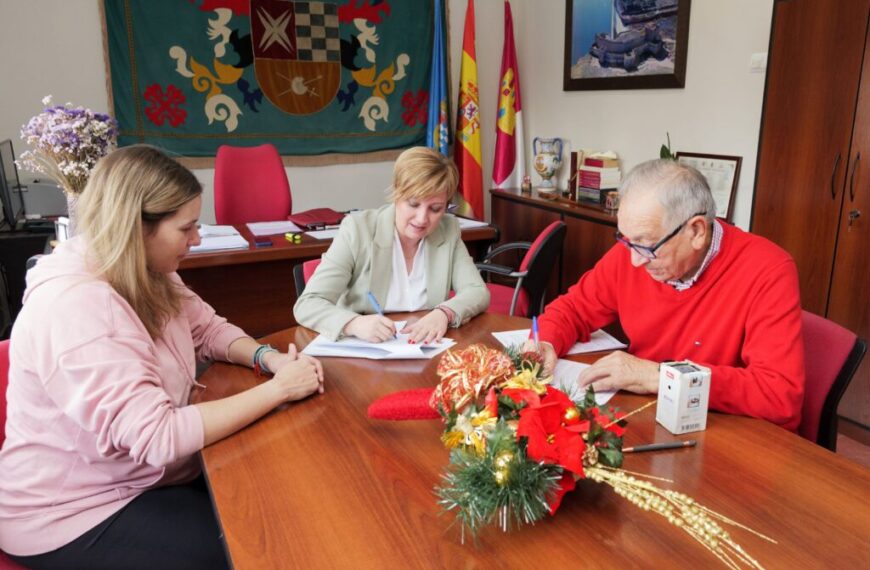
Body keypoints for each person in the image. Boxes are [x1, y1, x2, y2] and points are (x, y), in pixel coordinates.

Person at [0, 146, 324, 569]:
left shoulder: (145, 268)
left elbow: (207, 328)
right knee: (257, 543)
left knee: (277, 498)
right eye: (187, 228)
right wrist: (280, 390)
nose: (197, 239)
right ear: (136, 227)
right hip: (71, 511)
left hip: (139, 478)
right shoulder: (75, 308)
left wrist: (267, 358)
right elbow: (158, 437)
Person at [531, 159, 805, 431]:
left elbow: (779, 394)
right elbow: (574, 308)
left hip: (718, 431)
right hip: (647, 416)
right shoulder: (634, 250)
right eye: (625, 240)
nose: (635, 261)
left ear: (696, 231)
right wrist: (546, 342)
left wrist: (661, 377)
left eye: (648, 247)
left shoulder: (768, 270)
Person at [294, 146, 489, 344]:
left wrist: (444, 313)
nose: (422, 219)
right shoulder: (358, 229)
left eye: (435, 209)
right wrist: (353, 323)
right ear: (397, 192)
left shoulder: (448, 230)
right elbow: (308, 304)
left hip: (426, 347)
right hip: (365, 350)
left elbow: (477, 291)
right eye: (413, 204)